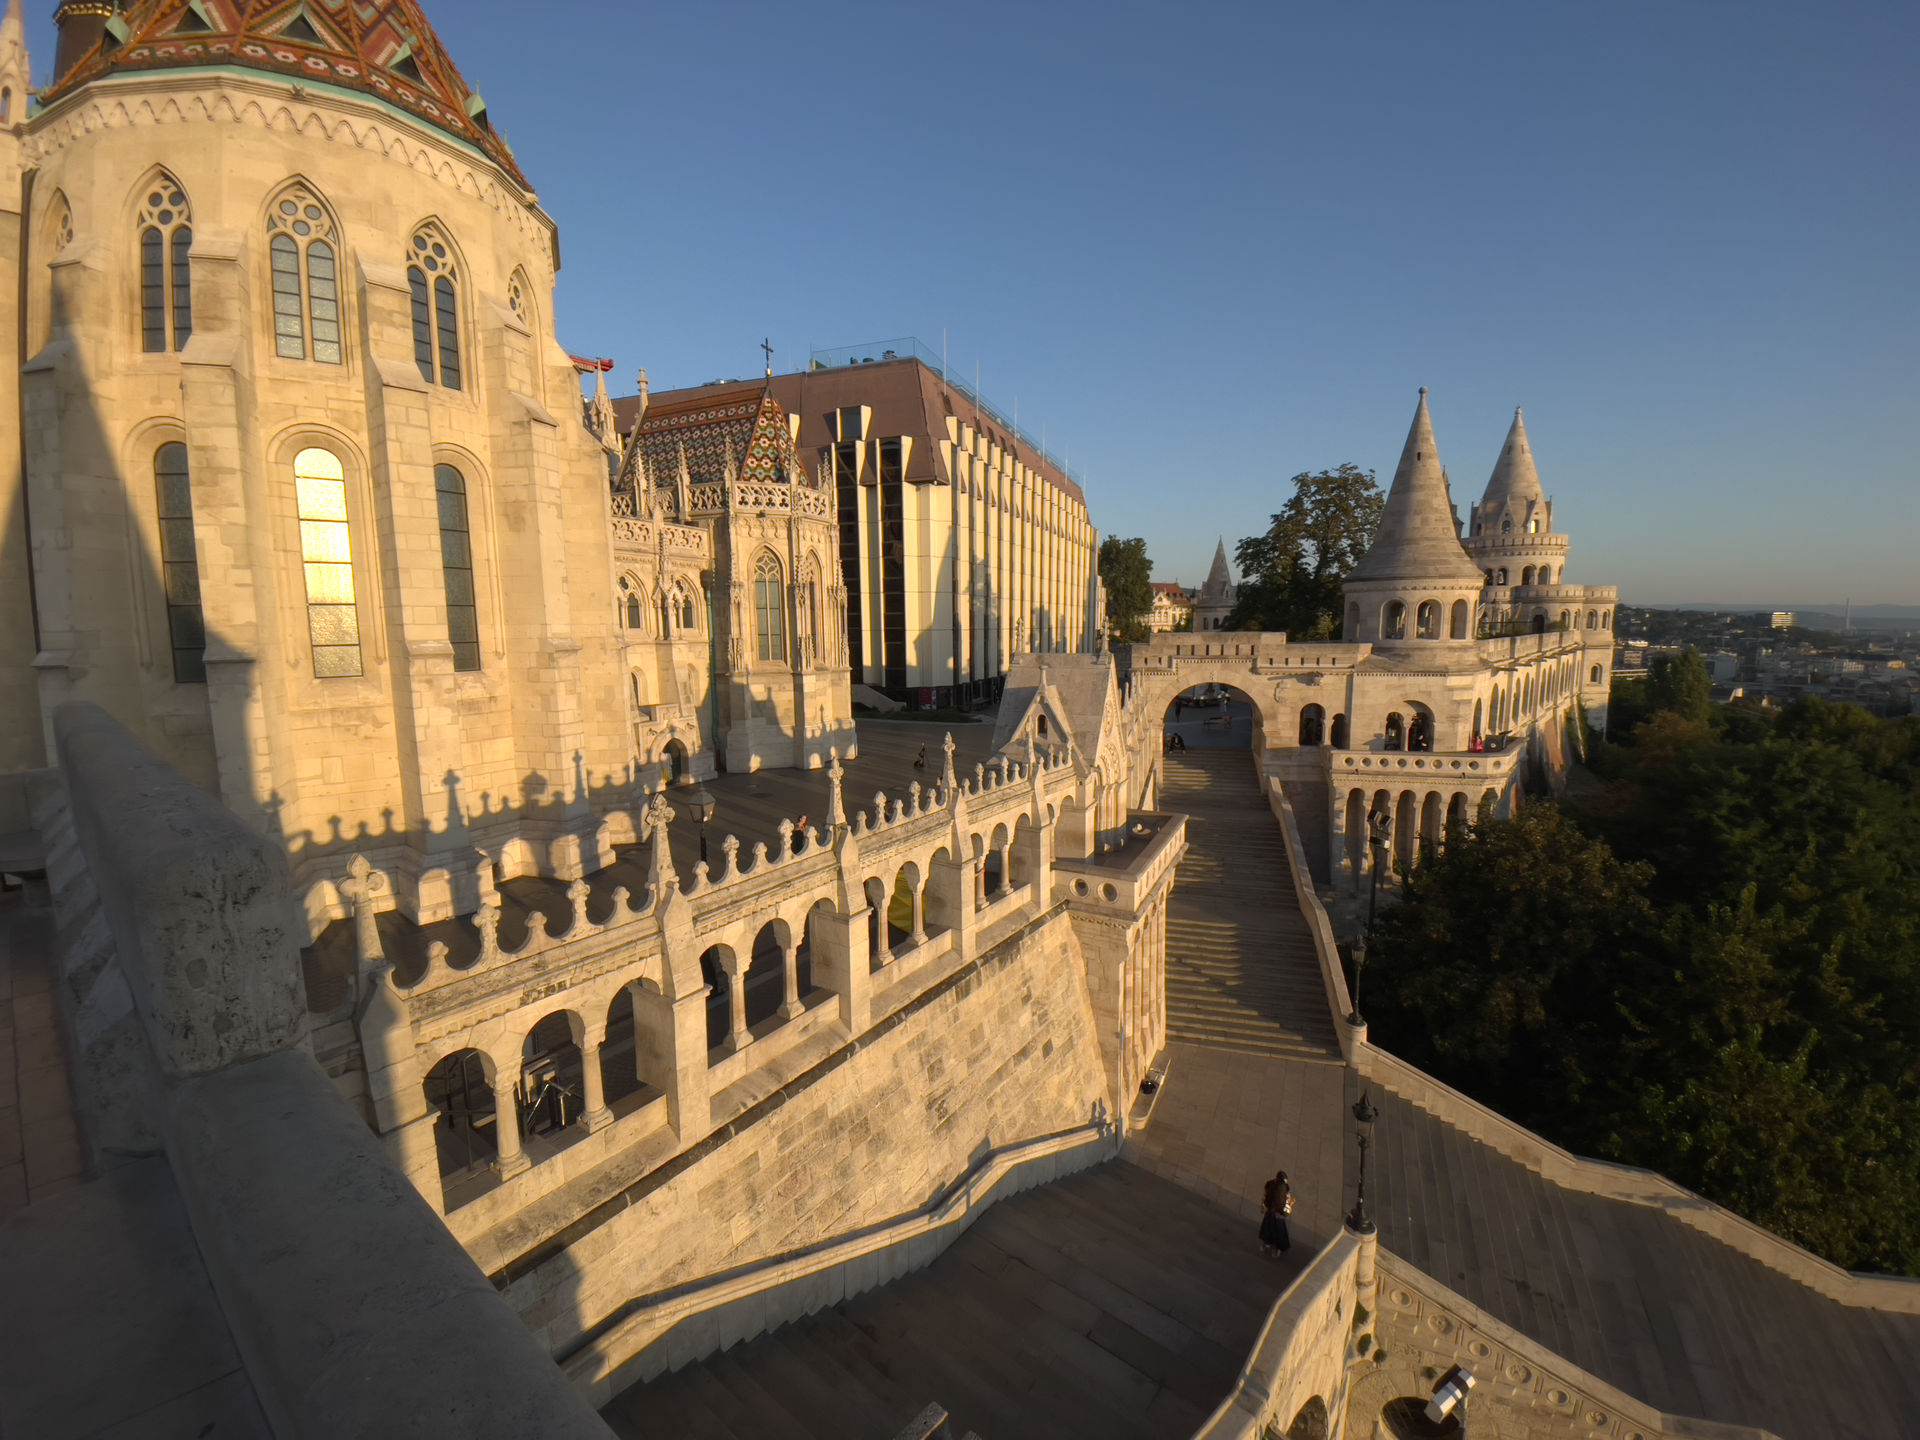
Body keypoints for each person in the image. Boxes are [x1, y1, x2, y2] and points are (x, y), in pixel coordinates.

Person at [1259, 1169, 1293, 1257]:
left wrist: (1264, 1207)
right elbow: (1288, 1203)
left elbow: (1265, 1197)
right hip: (1277, 1214)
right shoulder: (1285, 1189)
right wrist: (1285, 1213)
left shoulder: (1271, 1185)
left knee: (1268, 1229)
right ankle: (1276, 1248)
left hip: (1271, 1212)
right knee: (1278, 1232)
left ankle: (1268, 1243)